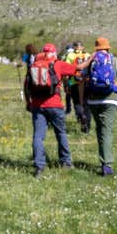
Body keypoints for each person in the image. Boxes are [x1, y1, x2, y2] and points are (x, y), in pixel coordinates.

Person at [23, 43, 79, 177]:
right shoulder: (57, 64)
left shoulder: (34, 65)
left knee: (38, 136)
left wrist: (28, 102)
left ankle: (39, 166)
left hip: (37, 106)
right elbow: (78, 68)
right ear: (54, 53)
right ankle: (66, 162)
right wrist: (90, 59)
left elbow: (26, 86)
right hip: (55, 105)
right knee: (61, 133)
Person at [77, 36, 117, 176]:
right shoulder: (115, 61)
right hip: (110, 100)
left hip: (93, 100)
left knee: (100, 129)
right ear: (108, 48)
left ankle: (103, 161)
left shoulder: (91, 61)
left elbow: (81, 81)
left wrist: (82, 102)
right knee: (107, 131)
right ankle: (107, 165)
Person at [62, 42, 90, 132]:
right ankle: (87, 126)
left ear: (74, 47)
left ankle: (81, 117)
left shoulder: (70, 56)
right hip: (86, 82)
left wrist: (66, 84)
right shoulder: (88, 55)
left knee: (77, 102)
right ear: (82, 46)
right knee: (86, 103)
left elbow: (66, 71)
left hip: (74, 82)